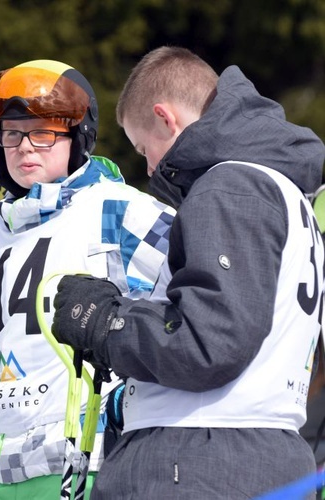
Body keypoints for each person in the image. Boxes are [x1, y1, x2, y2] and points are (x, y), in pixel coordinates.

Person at [0, 59, 174, 499]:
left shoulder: (117, 210)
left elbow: (198, 299)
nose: (24, 148)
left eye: (43, 133)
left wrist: (135, 402)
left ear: (79, 138)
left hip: (83, 465)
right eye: (12, 134)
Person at [51, 46, 325, 499]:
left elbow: (208, 342)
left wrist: (106, 323)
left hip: (199, 457)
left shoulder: (230, 185)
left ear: (165, 118)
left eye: (144, 148)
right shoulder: (289, 196)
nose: (150, 168)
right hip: (258, 450)